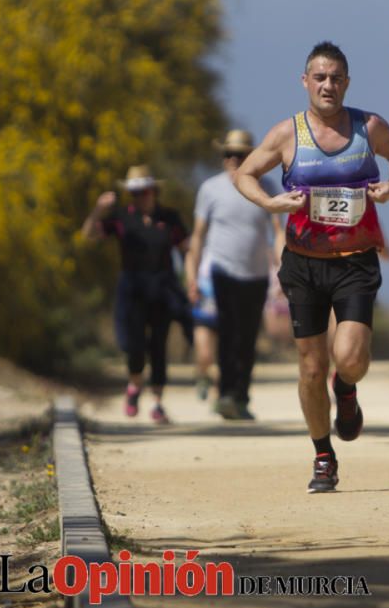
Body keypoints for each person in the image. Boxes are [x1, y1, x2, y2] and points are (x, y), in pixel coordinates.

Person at [233, 41, 389, 492]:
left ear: (347, 83)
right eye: (320, 77)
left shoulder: (368, 127)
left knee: (350, 359)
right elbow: (245, 174)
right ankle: (322, 455)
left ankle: (347, 389)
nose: (328, 85)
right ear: (305, 82)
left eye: (336, 78)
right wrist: (272, 203)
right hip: (303, 264)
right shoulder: (286, 134)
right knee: (310, 367)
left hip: (355, 261)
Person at [185, 129, 284, 421]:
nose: (233, 160)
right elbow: (198, 236)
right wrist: (191, 275)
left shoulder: (267, 186)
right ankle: (226, 393)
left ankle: (241, 396)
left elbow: (278, 232)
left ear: (251, 156)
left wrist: (282, 269)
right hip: (222, 271)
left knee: (248, 338)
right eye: (228, 154)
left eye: (240, 155)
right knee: (227, 333)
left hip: (256, 274)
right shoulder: (210, 190)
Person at [81, 165, 192, 424]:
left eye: (143, 191)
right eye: (134, 192)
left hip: (162, 286)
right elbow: (88, 234)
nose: (140, 196)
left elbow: (187, 247)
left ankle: (157, 403)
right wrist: (99, 209)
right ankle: (133, 386)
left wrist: (192, 277)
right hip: (132, 287)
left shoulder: (169, 217)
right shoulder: (121, 217)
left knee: (159, 345)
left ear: (154, 191)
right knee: (134, 344)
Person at [190, 249, 219, 401]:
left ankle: (218, 393)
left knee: (222, 358)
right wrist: (191, 283)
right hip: (203, 310)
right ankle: (202, 376)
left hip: (225, 309)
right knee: (205, 355)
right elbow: (189, 255)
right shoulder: (201, 247)